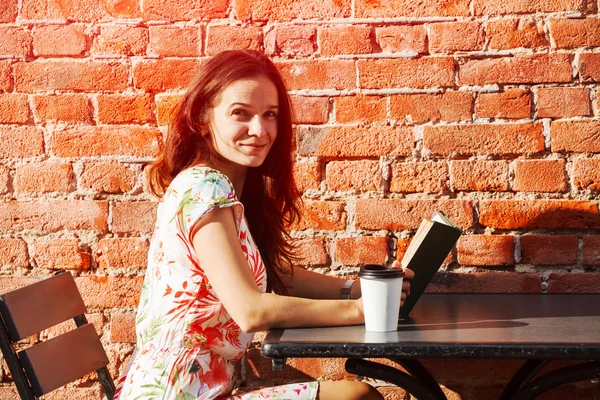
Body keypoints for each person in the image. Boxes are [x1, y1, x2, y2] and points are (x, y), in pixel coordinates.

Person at [113, 50, 414, 400]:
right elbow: (251, 310)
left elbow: (274, 273)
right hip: (172, 394)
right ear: (201, 119)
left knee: (355, 395)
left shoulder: (227, 186)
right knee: (356, 397)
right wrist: (361, 311)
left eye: (269, 115)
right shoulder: (203, 188)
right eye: (241, 113)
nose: (260, 130)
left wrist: (352, 288)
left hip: (197, 390)